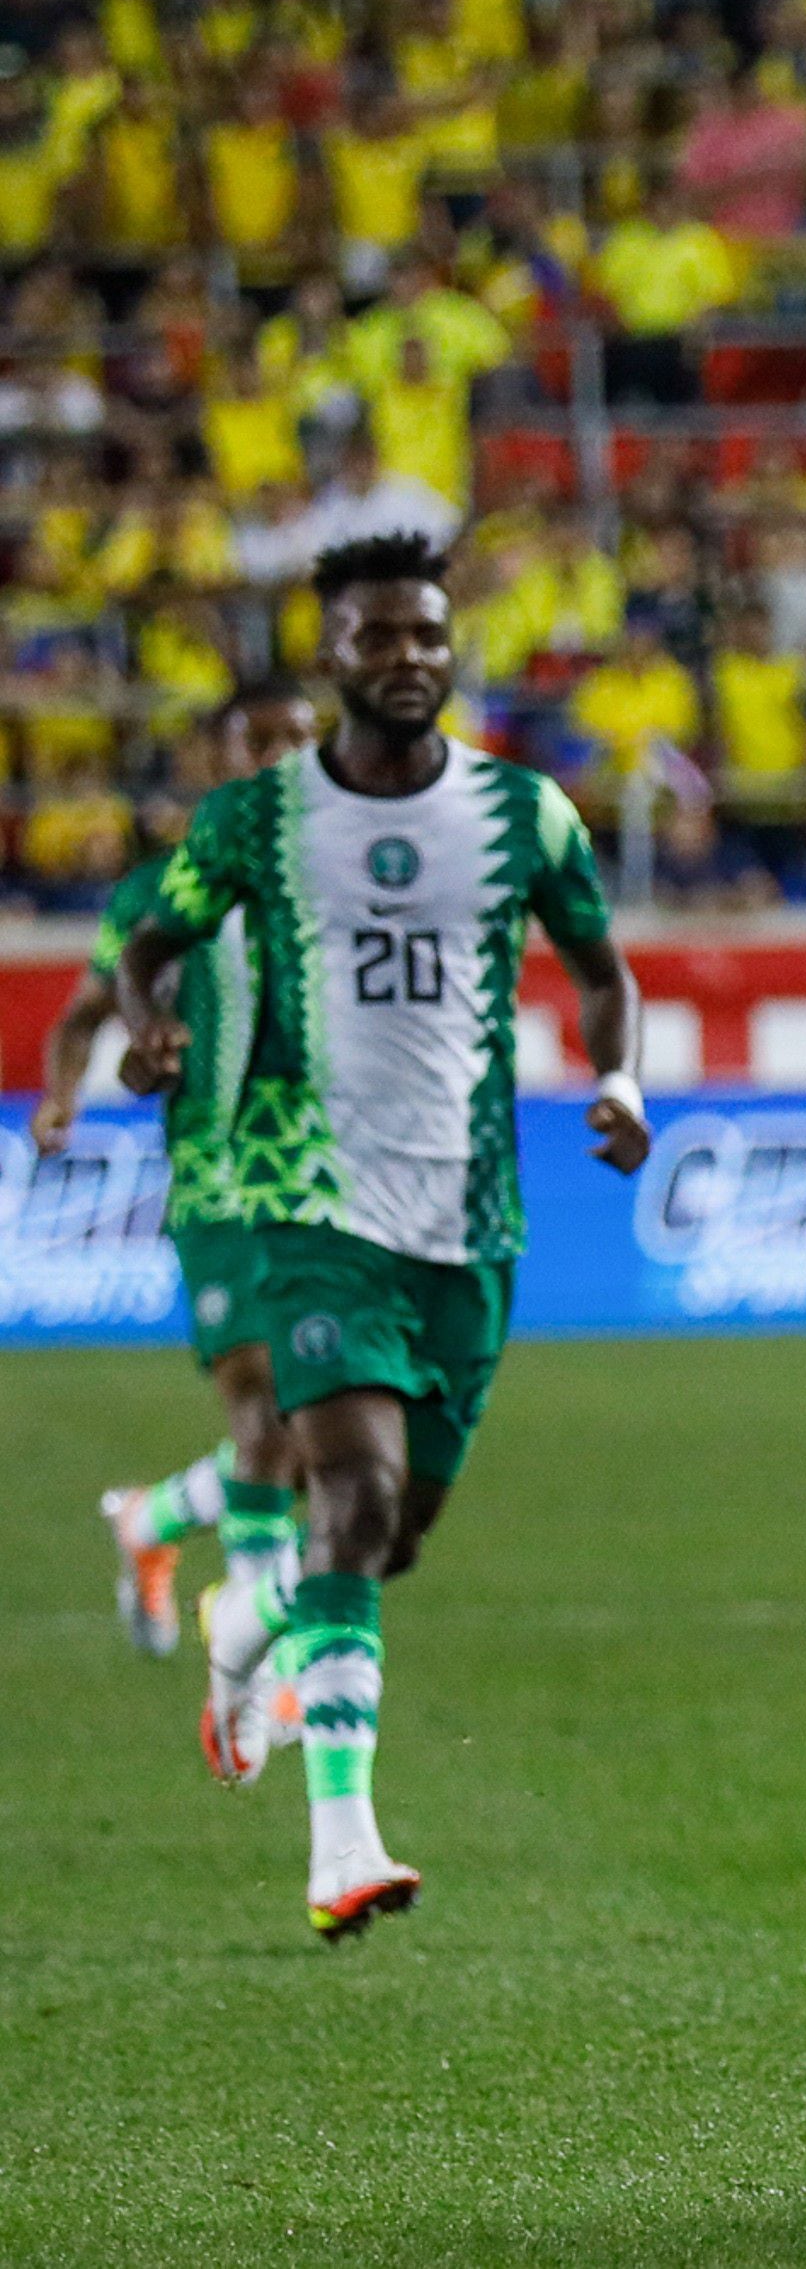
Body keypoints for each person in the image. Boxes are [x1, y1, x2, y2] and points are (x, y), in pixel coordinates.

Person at [110, 533, 651, 1939]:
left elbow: (600, 966)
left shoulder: (524, 813)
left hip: (467, 1219)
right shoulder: (256, 820)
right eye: (376, 638)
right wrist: (151, 1021)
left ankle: (250, 1623)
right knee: (348, 1495)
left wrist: (618, 1078)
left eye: (426, 635)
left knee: (395, 1534)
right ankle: (342, 1846)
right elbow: (148, 941)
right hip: (305, 1199)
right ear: (330, 653)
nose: (406, 659)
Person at [38, 685, 321, 1682]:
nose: (284, 756)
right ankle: (264, 1676)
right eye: (262, 740)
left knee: (307, 1431)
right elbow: (87, 1016)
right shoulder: (162, 892)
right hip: (216, 1180)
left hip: (331, 1187)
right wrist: (66, 1098)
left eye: (302, 738)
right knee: (261, 1412)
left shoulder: (341, 885)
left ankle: (152, 1518)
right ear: (216, 759)